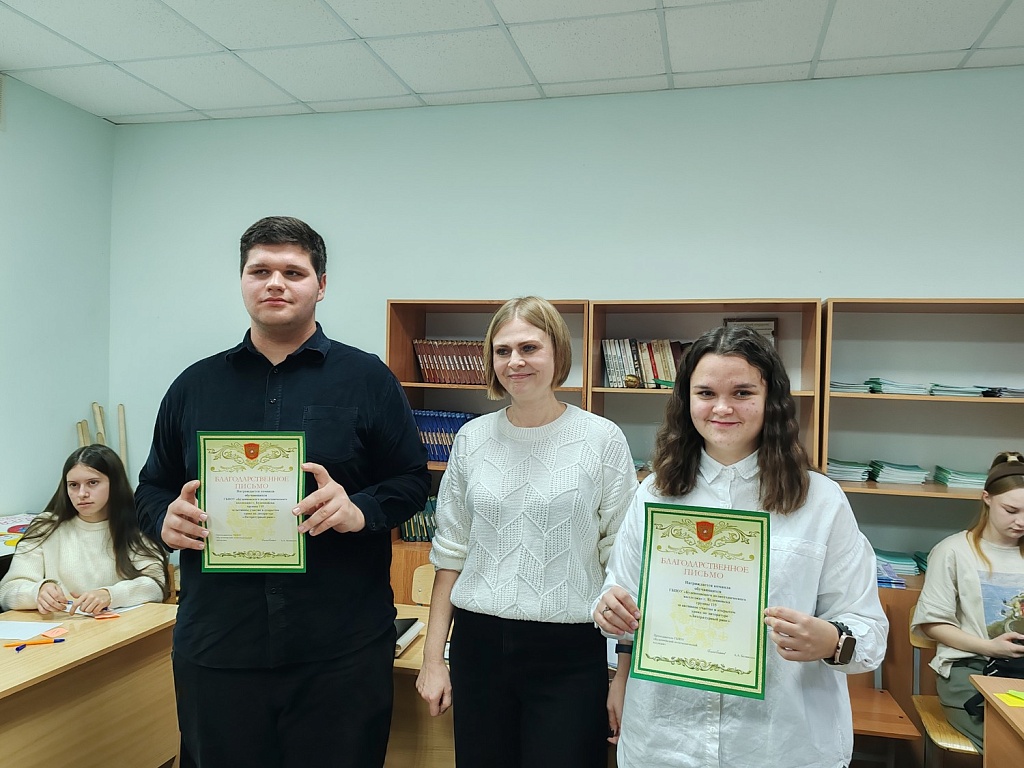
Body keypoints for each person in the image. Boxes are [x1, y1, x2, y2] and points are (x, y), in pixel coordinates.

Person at [135, 216, 430, 768]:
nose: (275, 282)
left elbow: (412, 479)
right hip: (220, 647)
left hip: (339, 650)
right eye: (260, 271)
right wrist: (162, 519)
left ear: (321, 285)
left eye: (293, 272)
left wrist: (359, 508)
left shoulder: (368, 379)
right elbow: (152, 484)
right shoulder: (194, 386)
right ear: (242, 281)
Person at [594, 324, 887, 768]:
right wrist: (610, 610)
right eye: (706, 393)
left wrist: (831, 640)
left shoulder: (821, 502)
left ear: (772, 400)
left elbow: (868, 630)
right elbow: (620, 593)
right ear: (686, 400)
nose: (722, 408)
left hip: (778, 744)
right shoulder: (654, 493)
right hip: (666, 740)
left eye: (743, 392)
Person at [415, 296, 638, 768]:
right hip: (477, 646)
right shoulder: (472, 438)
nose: (515, 361)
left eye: (529, 348)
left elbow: (623, 565)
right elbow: (451, 555)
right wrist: (433, 661)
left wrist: (623, 672)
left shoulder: (602, 439)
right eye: (503, 351)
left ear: (558, 352)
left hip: (569, 652)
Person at [912, 451, 1024, 752]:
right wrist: (990, 647)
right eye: (1011, 510)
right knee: (1012, 739)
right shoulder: (953, 551)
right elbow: (932, 624)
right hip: (971, 670)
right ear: (987, 498)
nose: (1021, 521)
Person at [0, 444, 167, 613]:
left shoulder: (137, 526)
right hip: (62, 625)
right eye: (73, 485)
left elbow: (155, 585)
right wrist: (37, 592)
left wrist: (110, 594)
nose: (82, 494)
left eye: (92, 483)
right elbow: (7, 591)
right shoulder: (45, 527)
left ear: (115, 484)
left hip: (119, 626)